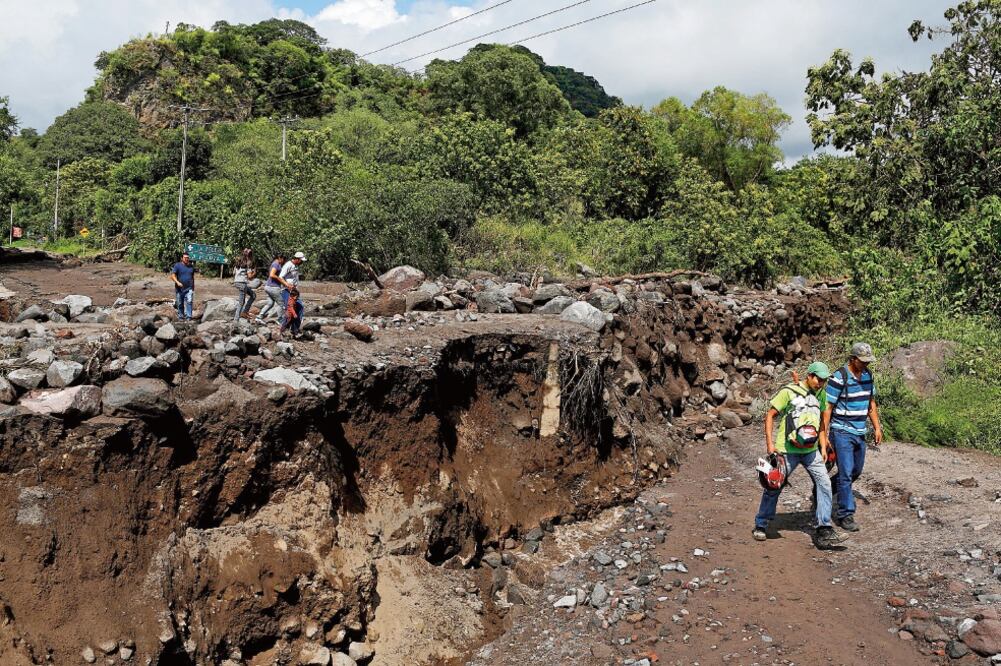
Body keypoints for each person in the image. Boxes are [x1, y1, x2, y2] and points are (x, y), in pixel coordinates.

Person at [753, 361, 841, 550]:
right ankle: (761, 523)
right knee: (773, 485)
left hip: (810, 451)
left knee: (824, 483)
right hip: (786, 450)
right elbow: (770, 415)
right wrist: (770, 445)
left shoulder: (822, 394)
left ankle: (823, 528)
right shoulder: (788, 392)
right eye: (819, 379)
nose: (822, 383)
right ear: (809, 376)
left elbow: (822, 423)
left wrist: (823, 447)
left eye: (825, 380)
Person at [824, 342, 883, 533]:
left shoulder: (868, 376)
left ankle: (823, 489)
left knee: (855, 471)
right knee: (847, 473)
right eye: (862, 361)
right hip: (841, 431)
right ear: (853, 359)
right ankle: (845, 514)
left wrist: (876, 427)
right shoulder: (839, 377)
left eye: (868, 361)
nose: (866, 364)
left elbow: (870, 403)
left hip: (860, 432)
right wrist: (824, 437)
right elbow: (828, 409)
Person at [277, 251, 306, 329]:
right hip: (286, 290)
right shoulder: (288, 265)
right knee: (289, 308)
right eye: (301, 260)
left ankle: (295, 330)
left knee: (300, 307)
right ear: (297, 259)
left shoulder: (296, 266)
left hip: (294, 291)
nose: (302, 262)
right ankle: (283, 328)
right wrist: (287, 285)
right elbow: (280, 277)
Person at [257, 252, 286, 323]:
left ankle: (259, 317)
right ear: (280, 258)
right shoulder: (276, 264)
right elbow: (272, 275)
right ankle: (280, 319)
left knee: (270, 303)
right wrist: (281, 280)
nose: (284, 261)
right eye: (284, 260)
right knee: (281, 303)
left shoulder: (275, 263)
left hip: (268, 286)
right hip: (273, 287)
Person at [233, 248, 257, 322]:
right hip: (242, 284)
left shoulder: (238, 261)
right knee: (241, 302)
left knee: (253, 295)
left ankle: (245, 312)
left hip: (237, 282)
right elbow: (250, 277)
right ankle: (236, 320)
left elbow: (233, 273)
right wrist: (254, 272)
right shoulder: (248, 263)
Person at [170, 252, 195, 321]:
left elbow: (192, 278)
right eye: (185, 258)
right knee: (180, 303)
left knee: (189, 302)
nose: (187, 259)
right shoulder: (177, 266)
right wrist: (177, 282)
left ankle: (189, 317)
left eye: (188, 258)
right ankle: (181, 316)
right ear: (182, 258)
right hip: (179, 289)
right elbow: (172, 276)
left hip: (189, 288)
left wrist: (193, 288)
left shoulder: (191, 267)